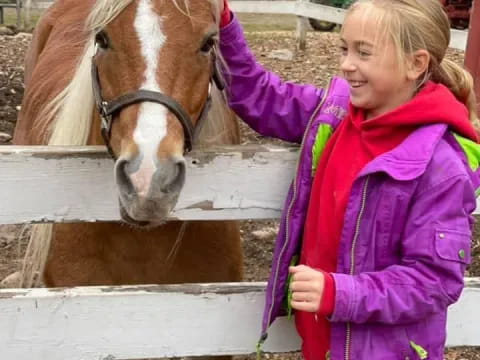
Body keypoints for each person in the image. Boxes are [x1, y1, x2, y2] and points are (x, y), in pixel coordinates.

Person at [217, 0, 480, 359]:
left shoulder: (440, 165)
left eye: (364, 52)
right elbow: (259, 96)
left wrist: (339, 293)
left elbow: (434, 281)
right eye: (345, 48)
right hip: (325, 343)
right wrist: (224, 22)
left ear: (415, 64)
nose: (346, 64)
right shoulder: (333, 115)